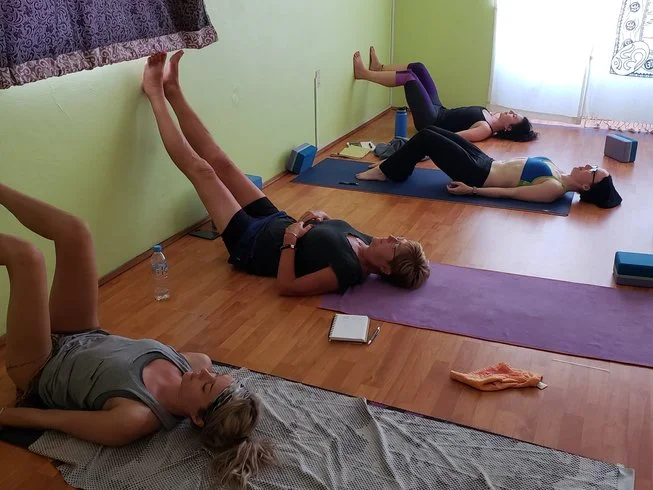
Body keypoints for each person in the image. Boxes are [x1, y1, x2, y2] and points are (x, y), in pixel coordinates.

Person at [0, 182, 273, 489]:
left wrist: (4, 416)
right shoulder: (195, 362)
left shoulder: (134, 418)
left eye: (206, 385)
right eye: (215, 374)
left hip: (40, 366)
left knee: (26, 257)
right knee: (76, 231)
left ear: (197, 417)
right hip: (82, 332)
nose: (204, 373)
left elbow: (52, 420)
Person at [142, 52, 430, 295]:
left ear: (385, 268)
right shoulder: (367, 242)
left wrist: (291, 240)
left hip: (253, 244)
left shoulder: (348, 271)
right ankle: (173, 90)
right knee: (222, 161)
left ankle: (155, 93)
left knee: (203, 171)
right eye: (399, 238)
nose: (391, 237)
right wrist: (318, 218)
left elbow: (286, 286)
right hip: (276, 220)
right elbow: (323, 242)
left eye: (395, 246)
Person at [356, 125, 622, 208]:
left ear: (586, 186)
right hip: (486, 161)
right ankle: (398, 168)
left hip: (477, 175)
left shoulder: (553, 189)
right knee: (432, 130)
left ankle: (386, 172)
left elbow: (512, 194)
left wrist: (471, 190)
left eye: (593, 171)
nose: (589, 165)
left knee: (426, 138)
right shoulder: (559, 172)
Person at [353, 47, 537, 143]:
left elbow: (455, 137)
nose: (511, 112)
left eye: (514, 116)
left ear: (508, 128)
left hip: (431, 120)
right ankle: (379, 68)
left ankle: (364, 74)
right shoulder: (493, 116)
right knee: (418, 67)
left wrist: (422, 145)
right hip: (439, 109)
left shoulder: (484, 129)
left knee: (409, 77)